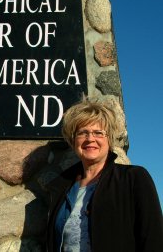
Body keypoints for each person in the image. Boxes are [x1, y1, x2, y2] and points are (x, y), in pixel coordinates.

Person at [46, 99, 163, 252]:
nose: (90, 139)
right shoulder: (61, 188)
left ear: (109, 139)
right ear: (73, 140)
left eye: (98, 133)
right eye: (82, 133)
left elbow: (153, 239)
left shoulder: (133, 178)